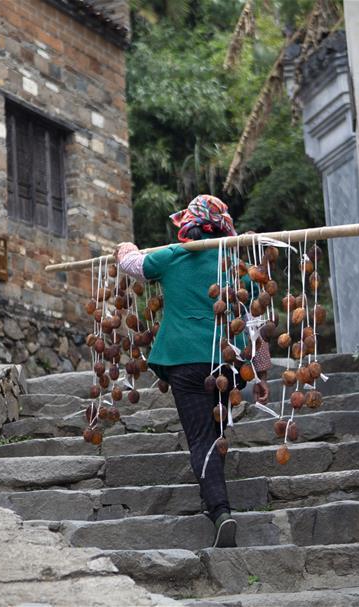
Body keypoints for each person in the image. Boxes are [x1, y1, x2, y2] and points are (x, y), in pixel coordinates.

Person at [115, 194, 271, 548]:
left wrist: (125, 247)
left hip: (183, 361)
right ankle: (213, 502)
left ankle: (219, 511)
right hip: (225, 363)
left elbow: (132, 265)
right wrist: (260, 374)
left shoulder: (173, 255)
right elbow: (252, 324)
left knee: (201, 438)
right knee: (214, 435)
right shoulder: (233, 263)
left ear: (189, 225)